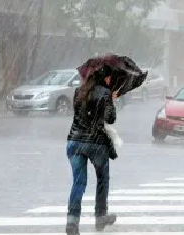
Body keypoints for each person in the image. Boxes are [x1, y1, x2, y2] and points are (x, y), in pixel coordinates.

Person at [65, 65, 118, 235]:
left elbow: (80, 113)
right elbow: (110, 118)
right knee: (102, 179)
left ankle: (72, 222)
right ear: (105, 78)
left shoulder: (79, 91)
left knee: (79, 182)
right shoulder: (105, 92)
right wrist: (112, 100)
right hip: (96, 143)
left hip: (75, 141)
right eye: (110, 78)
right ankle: (100, 216)